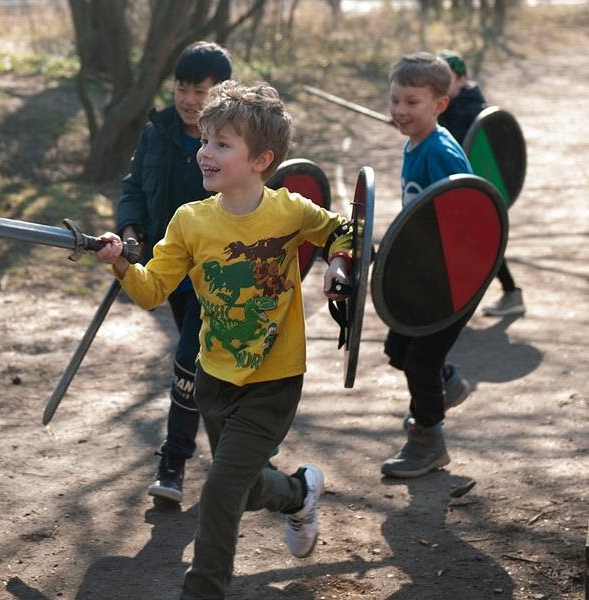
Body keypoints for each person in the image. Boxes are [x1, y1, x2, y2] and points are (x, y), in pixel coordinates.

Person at [96, 80, 354, 600]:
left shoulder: (289, 212)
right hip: (214, 377)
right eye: (205, 139)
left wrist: (339, 263)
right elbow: (151, 291)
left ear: (261, 159)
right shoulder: (191, 222)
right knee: (247, 485)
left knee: (218, 489)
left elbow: (342, 231)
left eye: (221, 144)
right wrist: (121, 261)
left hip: (274, 380)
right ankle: (300, 492)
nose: (204, 152)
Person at [116, 41, 232, 504]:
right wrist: (130, 229)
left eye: (200, 90)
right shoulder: (157, 131)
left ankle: (173, 463)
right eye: (182, 88)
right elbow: (135, 187)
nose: (188, 99)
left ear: (221, 92)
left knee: (189, 362)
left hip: (217, 274)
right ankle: (235, 462)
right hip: (170, 272)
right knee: (206, 367)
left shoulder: (234, 138)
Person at [381, 52, 477, 479]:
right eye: (395, 100)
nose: (400, 110)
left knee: (420, 361)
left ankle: (429, 440)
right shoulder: (414, 143)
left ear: (439, 104)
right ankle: (448, 384)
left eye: (412, 102)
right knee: (399, 351)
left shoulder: (441, 153)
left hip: (451, 280)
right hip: (421, 275)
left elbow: (471, 219)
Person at [438, 49, 526, 317]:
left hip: (475, 191)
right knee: (471, 244)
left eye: (446, 77)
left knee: (479, 245)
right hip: (464, 192)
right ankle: (506, 294)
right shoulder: (451, 107)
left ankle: (509, 294)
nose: (441, 84)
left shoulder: (470, 109)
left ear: (462, 79)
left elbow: (464, 143)